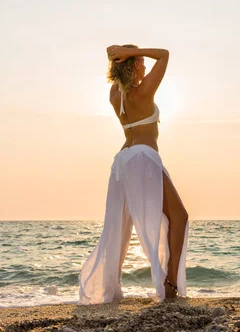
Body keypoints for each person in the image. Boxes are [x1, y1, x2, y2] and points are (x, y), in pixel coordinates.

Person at [78, 44, 189, 304]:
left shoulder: (115, 94)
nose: (146, 65)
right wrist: (130, 52)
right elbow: (165, 54)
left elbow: (110, 53)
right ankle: (170, 285)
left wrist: (126, 54)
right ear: (132, 64)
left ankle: (112, 286)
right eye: (141, 61)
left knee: (119, 227)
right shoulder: (143, 92)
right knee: (179, 217)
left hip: (122, 161)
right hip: (142, 157)